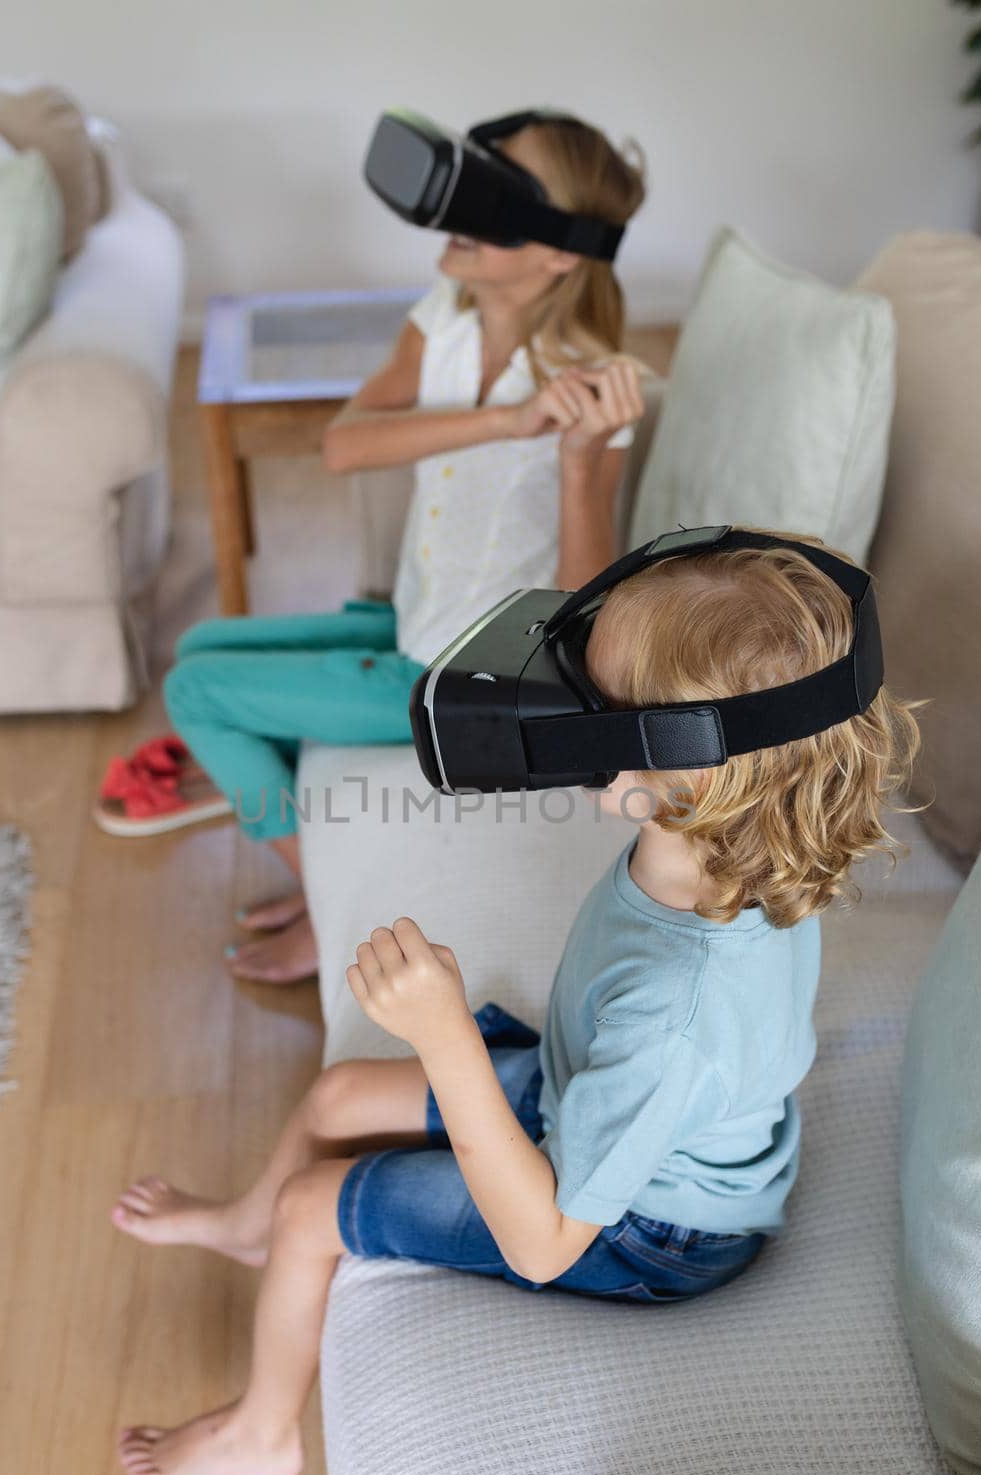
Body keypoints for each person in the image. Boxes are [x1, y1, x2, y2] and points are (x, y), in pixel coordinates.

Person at [111, 531, 921, 1475]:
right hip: (600, 1095)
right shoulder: (737, 844)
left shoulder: (676, 1010)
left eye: (594, 699)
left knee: (310, 1209)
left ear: (685, 770)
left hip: (650, 1229)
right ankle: (246, 1227)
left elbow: (544, 1245)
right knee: (336, 1096)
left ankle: (261, 1430)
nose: (564, 704)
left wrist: (447, 1034)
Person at [94, 111, 648, 986]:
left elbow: (582, 606)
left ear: (560, 250)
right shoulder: (444, 321)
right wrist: (506, 420)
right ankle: (312, 852)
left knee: (194, 690)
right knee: (201, 645)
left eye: (497, 197)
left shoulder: (596, 389)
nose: (461, 210)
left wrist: (577, 459)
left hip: (467, 679)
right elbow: (343, 445)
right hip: (410, 622)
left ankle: (325, 899)